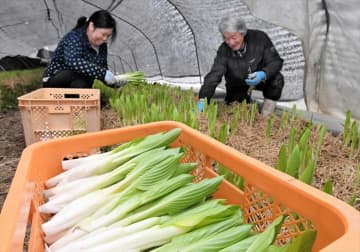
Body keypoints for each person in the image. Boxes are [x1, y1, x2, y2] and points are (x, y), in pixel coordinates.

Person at [198, 17, 284, 116]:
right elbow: (214, 75)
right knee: (235, 110)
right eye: (226, 38)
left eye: (233, 38)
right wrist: (203, 99)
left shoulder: (259, 38)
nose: (230, 43)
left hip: (260, 79)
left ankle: (266, 115)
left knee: (277, 79)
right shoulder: (224, 50)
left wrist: (263, 74)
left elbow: (275, 61)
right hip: (238, 82)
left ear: (242, 33)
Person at [43, 10, 126, 88]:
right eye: (103, 34)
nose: (105, 39)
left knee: (85, 82)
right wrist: (103, 73)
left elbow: (102, 69)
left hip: (79, 83)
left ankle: (80, 101)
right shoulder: (75, 37)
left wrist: (115, 81)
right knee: (77, 76)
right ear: (91, 26)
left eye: (108, 36)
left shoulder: (102, 46)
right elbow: (73, 62)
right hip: (55, 80)